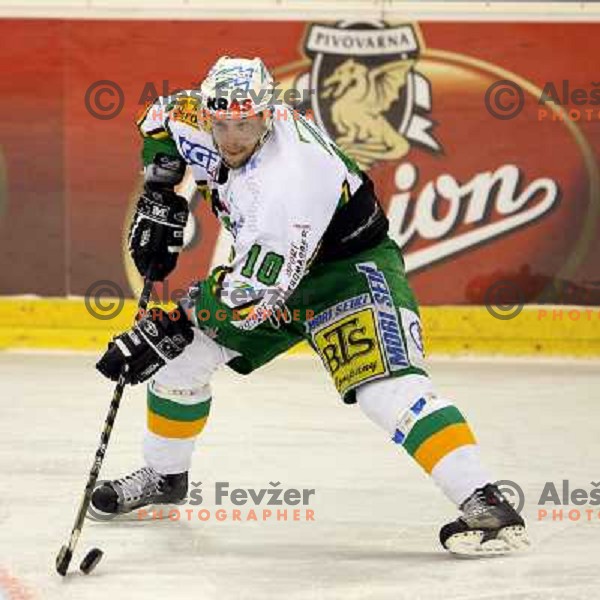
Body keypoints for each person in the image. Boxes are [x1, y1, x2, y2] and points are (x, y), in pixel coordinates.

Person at [93, 56, 529, 556]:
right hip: (270, 272)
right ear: (208, 115)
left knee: (385, 390)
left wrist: (168, 325)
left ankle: (486, 503)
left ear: (269, 114)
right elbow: (161, 116)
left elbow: (251, 299)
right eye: (224, 124)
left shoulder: (287, 182)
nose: (234, 137)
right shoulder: (200, 118)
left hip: (347, 273)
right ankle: (166, 477)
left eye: (247, 123)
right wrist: (161, 189)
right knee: (180, 364)